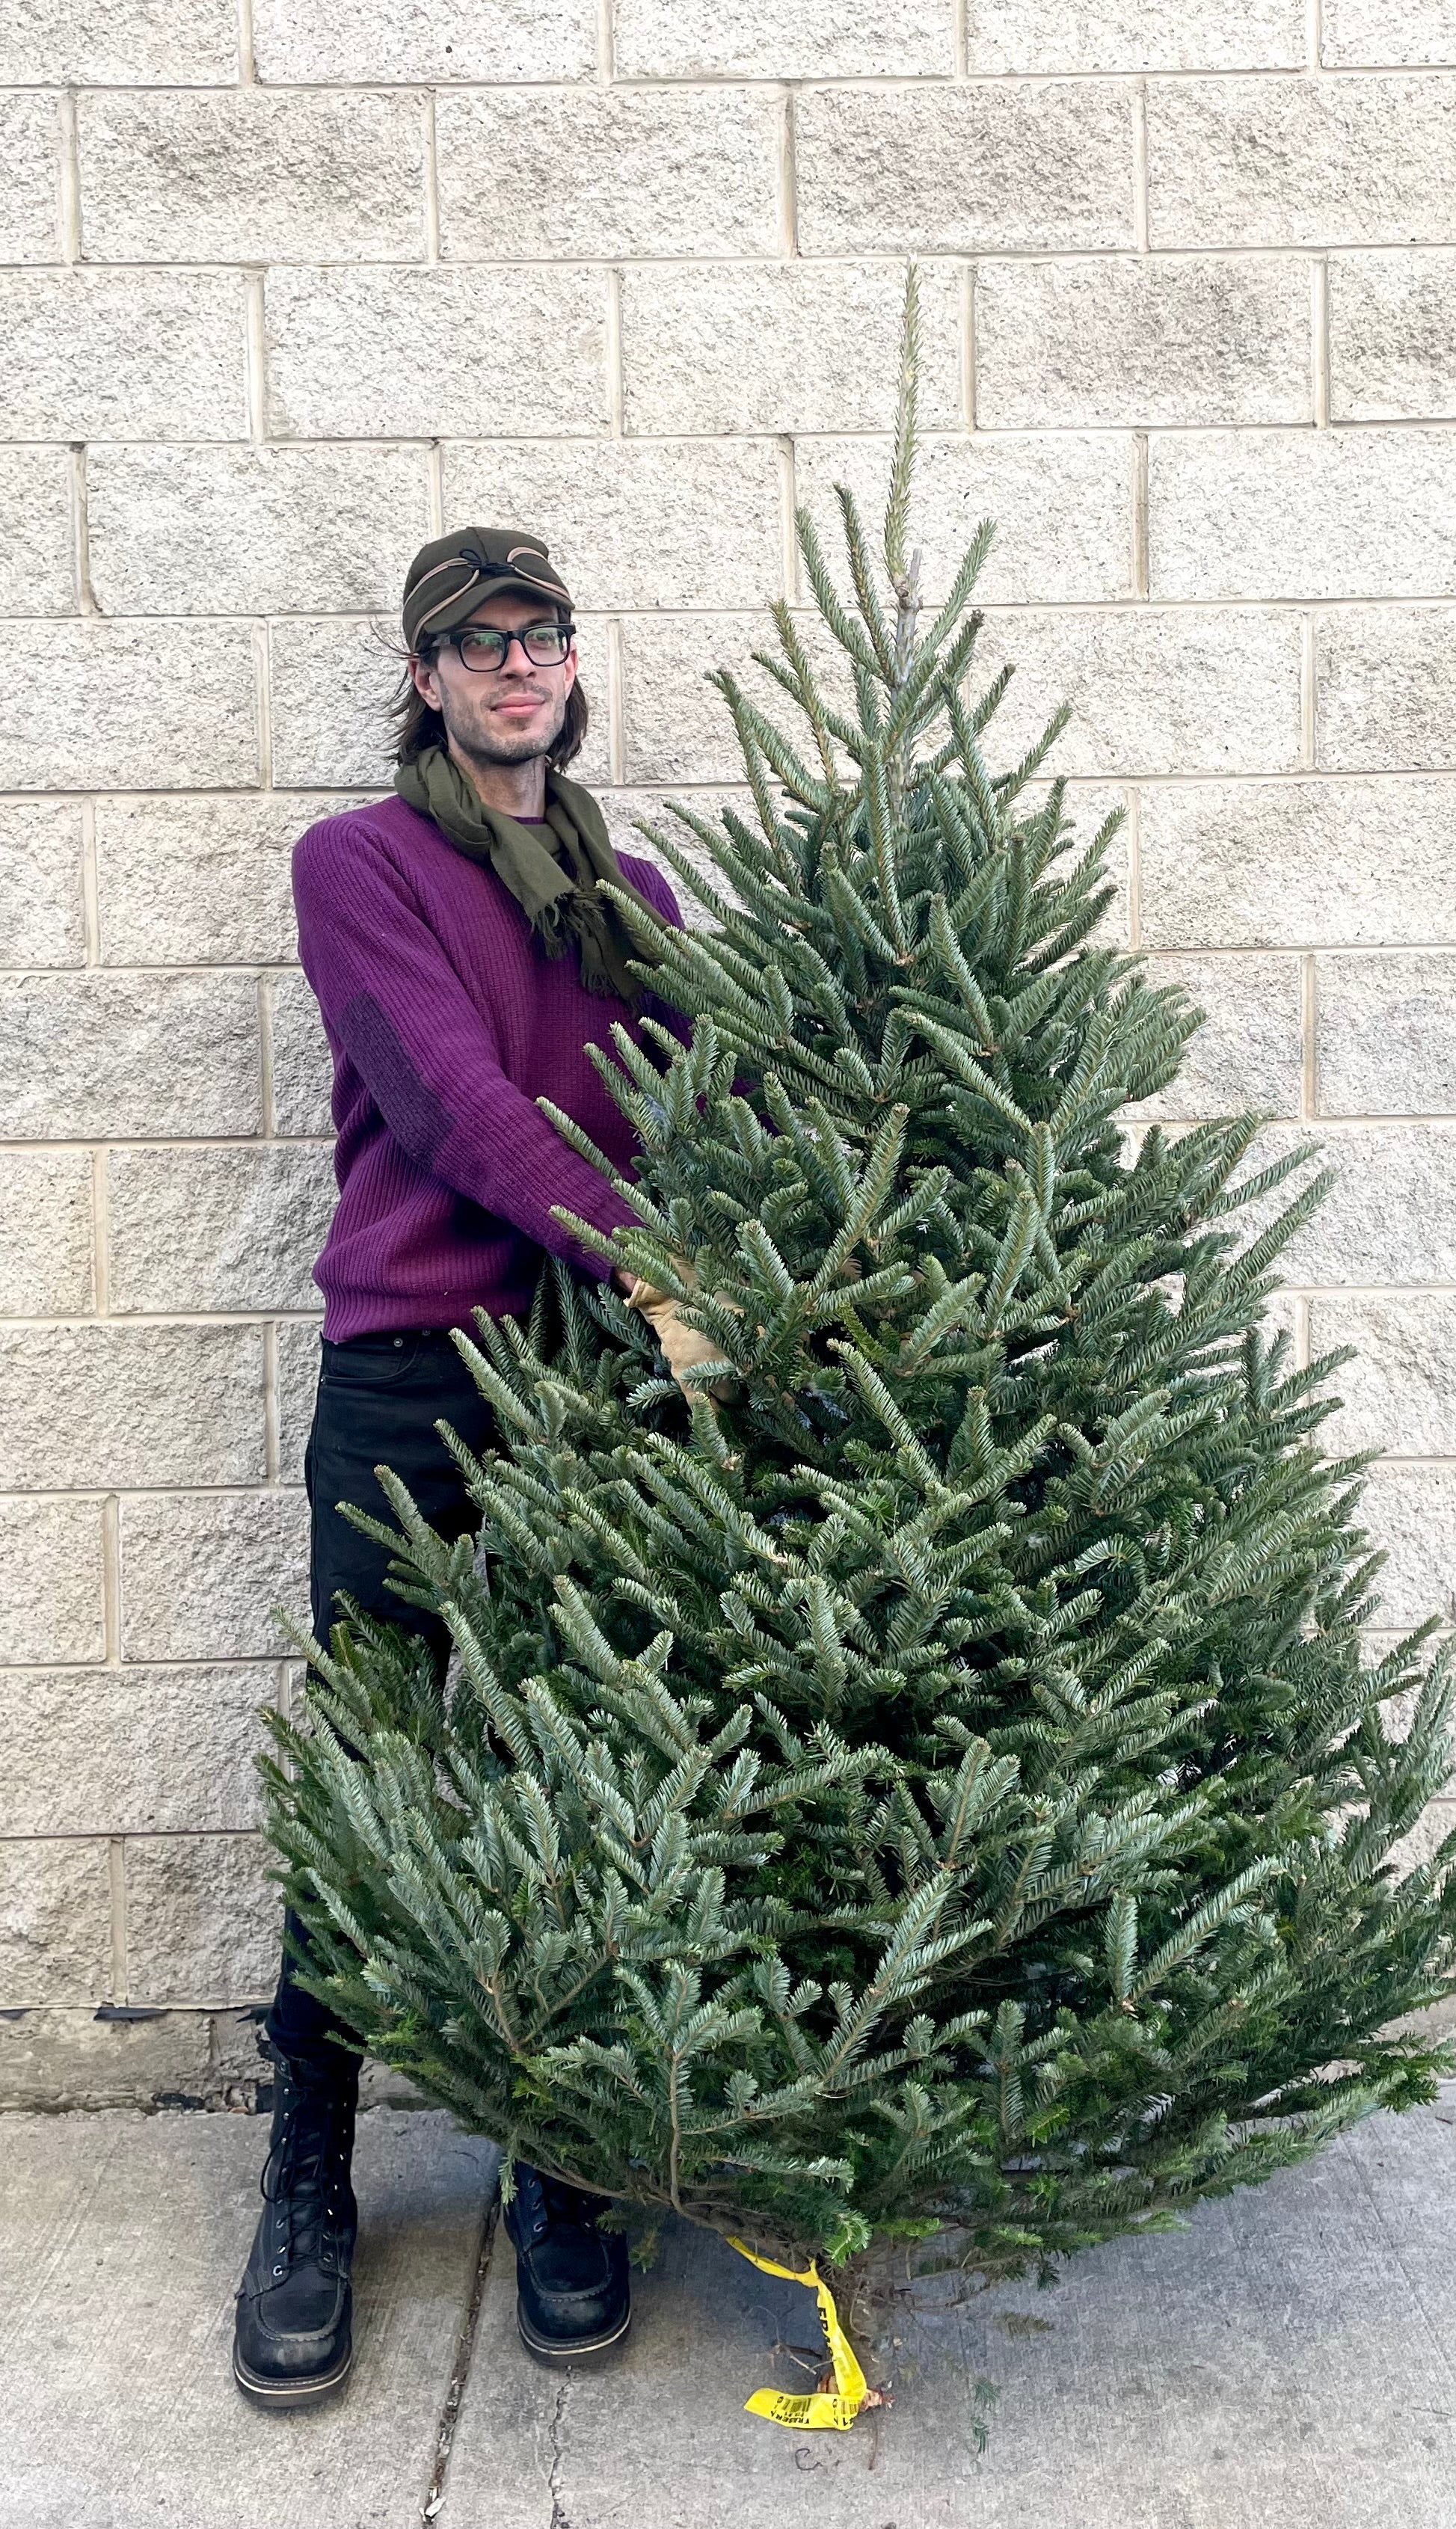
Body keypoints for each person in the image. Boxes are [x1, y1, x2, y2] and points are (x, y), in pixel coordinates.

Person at [234, 526, 717, 2409]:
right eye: (477, 642)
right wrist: (656, 1259)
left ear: (576, 669)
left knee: (571, 1769)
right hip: (413, 1378)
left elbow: (720, 1085)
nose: (518, 665)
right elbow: (454, 1108)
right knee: (377, 1765)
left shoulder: (635, 888)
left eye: (544, 636)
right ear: (427, 678)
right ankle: (304, 2175)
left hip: (591, 1392)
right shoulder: (359, 865)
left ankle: (555, 2160)